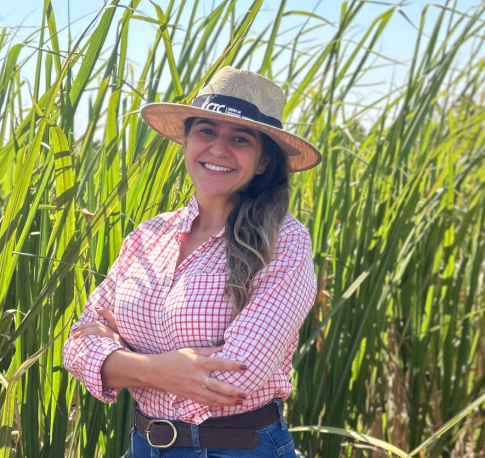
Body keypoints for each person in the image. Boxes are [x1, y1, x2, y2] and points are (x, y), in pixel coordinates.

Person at [62, 66, 321, 457]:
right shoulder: (149, 236)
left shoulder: (284, 241)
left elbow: (237, 378)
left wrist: (119, 361)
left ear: (264, 162)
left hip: (238, 449)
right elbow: (79, 341)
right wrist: (161, 370)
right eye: (206, 131)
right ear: (187, 142)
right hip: (145, 446)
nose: (218, 149)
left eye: (240, 138)